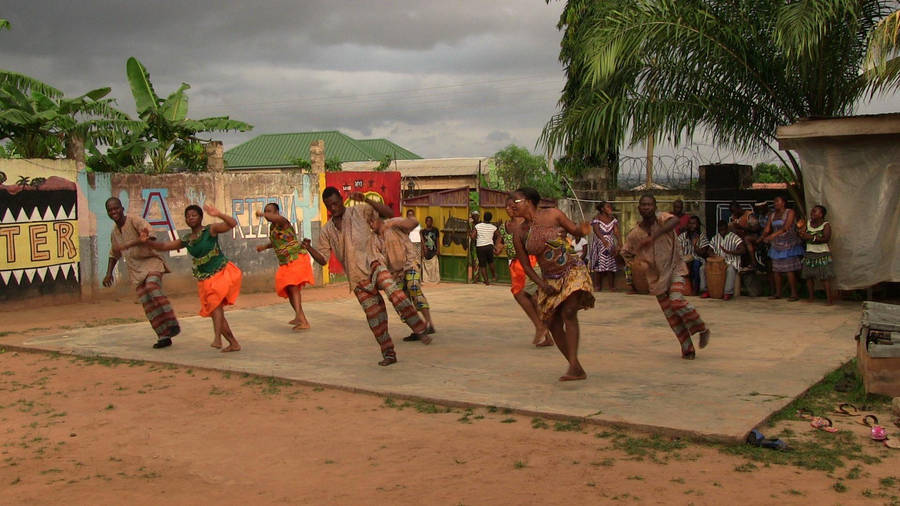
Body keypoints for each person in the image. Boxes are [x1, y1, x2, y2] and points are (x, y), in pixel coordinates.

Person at [304, 187, 429, 366]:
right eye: (329, 205)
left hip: (373, 263)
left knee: (393, 291)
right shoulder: (326, 231)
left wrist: (367, 200)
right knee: (375, 319)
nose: (334, 207)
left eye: (336, 202)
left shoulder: (360, 211)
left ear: (341, 199)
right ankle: (389, 354)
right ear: (326, 206)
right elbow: (323, 260)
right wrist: (309, 248)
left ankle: (419, 327)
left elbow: (388, 212)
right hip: (357, 279)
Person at [511, 187, 594, 381]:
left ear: (529, 201)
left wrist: (581, 230)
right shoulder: (519, 233)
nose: (511, 207)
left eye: (515, 203)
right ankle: (576, 367)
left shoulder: (553, 215)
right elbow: (526, 266)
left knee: (569, 312)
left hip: (572, 270)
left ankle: (573, 366)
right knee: (553, 323)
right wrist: (541, 283)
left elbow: (574, 230)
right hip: (549, 278)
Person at [143, 205, 242, 352]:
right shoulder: (187, 240)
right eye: (188, 216)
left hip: (221, 272)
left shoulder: (211, 230)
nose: (190, 218)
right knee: (215, 311)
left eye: (194, 215)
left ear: (201, 217)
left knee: (215, 306)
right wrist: (146, 241)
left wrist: (219, 213)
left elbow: (232, 223)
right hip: (204, 279)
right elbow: (164, 246)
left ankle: (217, 338)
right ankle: (233, 343)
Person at [622, 195, 710, 360]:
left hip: (675, 268)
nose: (646, 207)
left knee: (677, 301)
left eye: (649, 205)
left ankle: (701, 328)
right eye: (643, 205)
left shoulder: (663, 219)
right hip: (656, 278)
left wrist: (653, 237)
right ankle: (687, 349)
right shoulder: (635, 233)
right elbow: (626, 252)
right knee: (672, 316)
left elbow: (675, 221)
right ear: (639, 208)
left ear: (654, 207)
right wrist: (636, 263)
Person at [102, 197, 180, 349]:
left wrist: (134, 242)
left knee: (152, 287)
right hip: (135, 270)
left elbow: (149, 234)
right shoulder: (115, 233)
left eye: (116, 208)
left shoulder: (134, 220)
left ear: (122, 208)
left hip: (151, 262)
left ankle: (172, 323)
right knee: (147, 303)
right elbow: (114, 254)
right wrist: (108, 273)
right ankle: (163, 336)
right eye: (110, 210)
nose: (114, 212)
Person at [366, 213, 436, 337]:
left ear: (379, 219)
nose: (371, 225)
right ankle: (418, 329)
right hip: (394, 273)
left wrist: (394, 223)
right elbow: (377, 261)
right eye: (369, 222)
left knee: (414, 290)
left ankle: (429, 324)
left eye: (372, 221)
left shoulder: (394, 224)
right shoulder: (373, 239)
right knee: (401, 302)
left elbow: (413, 223)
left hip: (410, 264)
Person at [495, 195, 551, 347]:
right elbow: (499, 243)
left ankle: (541, 326)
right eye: (506, 207)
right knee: (523, 296)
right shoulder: (504, 226)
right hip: (515, 265)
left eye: (512, 206)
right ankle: (545, 332)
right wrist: (498, 248)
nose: (509, 209)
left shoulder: (526, 224)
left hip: (529, 261)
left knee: (529, 296)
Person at [255, 202, 315, 330]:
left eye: (270, 211)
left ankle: (300, 316)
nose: (267, 214)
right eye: (266, 211)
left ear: (277, 213)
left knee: (293, 287)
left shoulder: (283, 221)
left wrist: (261, 214)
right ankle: (302, 319)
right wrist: (264, 247)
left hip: (296, 258)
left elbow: (278, 219)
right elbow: (275, 241)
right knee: (288, 289)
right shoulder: (272, 228)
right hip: (285, 262)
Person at [761, 195, 804, 300]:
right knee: (776, 270)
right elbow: (767, 228)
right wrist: (762, 237)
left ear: (783, 202)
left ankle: (794, 294)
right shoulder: (772, 215)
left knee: (789, 270)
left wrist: (772, 235)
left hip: (788, 243)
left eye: (777, 201)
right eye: (774, 202)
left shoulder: (790, 212)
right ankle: (778, 293)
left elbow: (786, 227)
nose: (775, 203)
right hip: (776, 245)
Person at [798, 204, 835, 305]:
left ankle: (829, 299)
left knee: (824, 277)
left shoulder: (826, 225)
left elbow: (826, 238)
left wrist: (811, 237)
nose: (812, 213)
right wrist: (803, 234)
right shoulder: (808, 223)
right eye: (812, 211)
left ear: (821, 214)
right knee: (809, 277)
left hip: (822, 253)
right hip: (809, 252)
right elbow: (802, 234)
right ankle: (811, 297)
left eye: (815, 211)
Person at [707, 220, 745, 301]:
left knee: (730, 269)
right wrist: (713, 255)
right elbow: (709, 250)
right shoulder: (715, 238)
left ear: (727, 228)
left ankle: (727, 292)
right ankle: (706, 290)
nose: (722, 232)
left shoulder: (734, 237)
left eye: (723, 230)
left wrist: (730, 252)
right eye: (720, 230)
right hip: (718, 262)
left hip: (731, 261)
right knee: (703, 268)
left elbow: (742, 250)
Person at [587, 201, 620, 292]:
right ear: (602, 209)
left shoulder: (613, 219)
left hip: (610, 243)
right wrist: (603, 240)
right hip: (599, 243)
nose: (610, 208)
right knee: (599, 265)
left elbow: (616, 232)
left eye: (610, 207)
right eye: (608, 207)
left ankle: (611, 286)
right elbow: (596, 230)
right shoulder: (597, 218)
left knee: (611, 264)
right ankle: (597, 286)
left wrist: (620, 243)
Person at [677, 215, 710, 295]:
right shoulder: (682, 236)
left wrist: (695, 245)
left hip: (698, 260)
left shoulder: (702, 237)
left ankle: (695, 289)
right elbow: (677, 249)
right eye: (690, 223)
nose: (691, 225)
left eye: (694, 223)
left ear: (698, 225)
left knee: (695, 264)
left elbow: (703, 253)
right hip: (684, 259)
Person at [472, 211, 498, 284]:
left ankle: (486, 281)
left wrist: (476, 239)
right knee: (491, 261)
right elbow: (498, 235)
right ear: (491, 218)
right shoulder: (493, 227)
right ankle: (494, 275)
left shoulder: (478, 226)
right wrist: (496, 244)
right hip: (489, 246)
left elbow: (473, 236)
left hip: (480, 246)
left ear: (483, 217)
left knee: (482, 264)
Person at [420, 216, 441, 284]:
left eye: (430, 221)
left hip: (434, 250)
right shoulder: (423, 231)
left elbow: (437, 240)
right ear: (425, 222)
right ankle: (427, 279)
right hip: (427, 251)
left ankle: (434, 279)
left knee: (434, 266)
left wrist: (438, 249)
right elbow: (422, 242)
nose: (429, 222)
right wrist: (423, 251)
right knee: (426, 266)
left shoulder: (435, 230)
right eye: (428, 221)